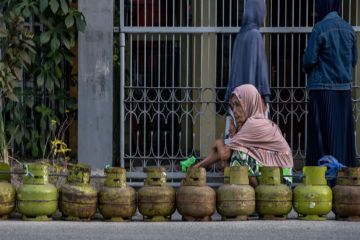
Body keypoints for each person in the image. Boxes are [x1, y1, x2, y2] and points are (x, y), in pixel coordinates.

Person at [194, 84, 294, 187]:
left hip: (281, 178)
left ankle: (256, 192)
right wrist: (197, 167)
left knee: (238, 157)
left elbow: (224, 154)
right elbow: (225, 151)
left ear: (249, 103)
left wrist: (218, 143)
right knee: (237, 152)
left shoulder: (253, 124)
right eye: (233, 106)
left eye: (238, 105)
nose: (234, 111)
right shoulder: (252, 122)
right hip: (273, 172)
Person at [303, 0, 358, 168]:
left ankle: (324, 178)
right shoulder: (349, 29)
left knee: (322, 137)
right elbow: (353, 60)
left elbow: (309, 60)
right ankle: (342, 176)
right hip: (344, 91)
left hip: (323, 91)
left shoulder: (320, 28)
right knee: (341, 136)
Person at [224, 0, 270, 116]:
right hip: (252, 102)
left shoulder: (240, 36)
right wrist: (265, 96)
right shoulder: (255, 36)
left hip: (238, 99)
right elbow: (260, 72)